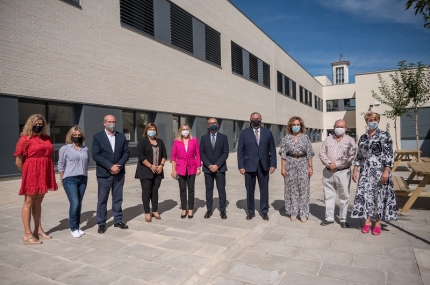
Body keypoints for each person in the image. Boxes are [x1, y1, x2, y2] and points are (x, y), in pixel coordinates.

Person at [14, 114, 58, 245]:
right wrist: (28, 174)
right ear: (30, 124)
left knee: (38, 201)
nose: (38, 126)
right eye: (36, 124)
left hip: (44, 172)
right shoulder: (24, 139)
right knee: (29, 201)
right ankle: (27, 234)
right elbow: (18, 161)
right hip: (32, 173)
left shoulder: (47, 138)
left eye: (41, 124)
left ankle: (38, 229)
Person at [352, 112, 397, 235]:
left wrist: (387, 170)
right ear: (366, 121)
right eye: (370, 119)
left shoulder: (384, 135)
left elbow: (389, 154)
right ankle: (367, 221)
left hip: (380, 172)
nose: (373, 121)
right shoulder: (363, 137)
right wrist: (355, 169)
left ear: (378, 121)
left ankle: (377, 222)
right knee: (366, 195)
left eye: (375, 119)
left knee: (379, 196)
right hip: (365, 172)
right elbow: (359, 155)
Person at [92, 115, 130, 233]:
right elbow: (96, 155)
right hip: (104, 173)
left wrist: (118, 165)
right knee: (102, 199)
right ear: (104, 123)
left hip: (119, 173)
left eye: (113, 121)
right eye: (109, 122)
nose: (112, 123)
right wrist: (110, 166)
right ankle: (101, 222)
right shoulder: (97, 137)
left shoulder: (121, 136)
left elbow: (126, 153)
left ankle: (118, 220)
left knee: (118, 198)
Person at [237, 112, 276, 221]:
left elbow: (272, 149)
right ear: (250, 120)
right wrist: (241, 166)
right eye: (254, 118)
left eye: (258, 118)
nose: (256, 120)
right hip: (249, 165)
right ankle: (250, 211)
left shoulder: (267, 132)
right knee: (249, 190)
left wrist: (273, 164)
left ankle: (264, 211)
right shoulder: (244, 133)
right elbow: (240, 151)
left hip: (264, 166)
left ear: (261, 119)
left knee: (264, 189)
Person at [318, 119, 356, 228]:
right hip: (328, 172)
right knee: (329, 196)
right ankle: (329, 218)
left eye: (341, 127)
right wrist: (329, 163)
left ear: (346, 128)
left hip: (343, 172)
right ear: (334, 127)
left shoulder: (350, 140)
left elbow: (351, 155)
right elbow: (321, 153)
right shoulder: (328, 139)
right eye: (337, 126)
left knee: (344, 196)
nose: (339, 128)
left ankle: (343, 219)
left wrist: (337, 164)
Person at [279, 116, 314, 223]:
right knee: (291, 189)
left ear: (301, 126)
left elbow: (310, 154)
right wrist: (283, 168)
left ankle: (303, 213)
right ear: (290, 126)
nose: (296, 126)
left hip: (303, 163)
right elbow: (283, 154)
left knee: (304, 190)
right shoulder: (286, 138)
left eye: (298, 124)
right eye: (294, 124)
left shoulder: (305, 138)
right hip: (290, 164)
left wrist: (310, 167)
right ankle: (293, 211)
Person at [58, 126, 89, 238]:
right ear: (70, 136)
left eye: (79, 135)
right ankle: (73, 228)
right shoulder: (65, 149)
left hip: (83, 178)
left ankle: (77, 226)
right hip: (70, 179)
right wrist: (62, 178)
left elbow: (86, 163)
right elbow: (60, 164)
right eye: (75, 135)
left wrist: (85, 175)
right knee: (74, 203)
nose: (77, 137)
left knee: (79, 204)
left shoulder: (85, 149)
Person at [135, 123, 167, 222]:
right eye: (150, 129)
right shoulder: (143, 141)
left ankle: (155, 210)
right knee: (146, 192)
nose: (152, 131)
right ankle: (147, 212)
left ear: (156, 131)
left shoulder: (160, 142)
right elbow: (140, 156)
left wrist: (161, 165)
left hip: (158, 171)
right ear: (146, 131)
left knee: (155, 191)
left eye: (153, 129)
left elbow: (164, 155)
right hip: (145, 171)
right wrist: (150, 166)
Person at [200, 118, 229, 219]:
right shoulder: (203, 138)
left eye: (214, 123)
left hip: (220, 169)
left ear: (218, 125)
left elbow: (225, 153)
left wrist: (217, 165)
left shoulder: (223, 137)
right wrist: (209, 165)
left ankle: (223, 210)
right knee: (209, 190)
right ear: (208, 126)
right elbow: (202, 153)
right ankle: (209, 210)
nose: (213, 125)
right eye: (210, 123)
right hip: (208, 169)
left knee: (221, 190)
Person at [171, 124, 201, 219]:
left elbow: (198, 154)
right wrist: (173, 169)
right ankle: (184, 208)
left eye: (187, 129)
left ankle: (191, 209)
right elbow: (173, 156)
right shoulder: (176, 141)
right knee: (182, 189)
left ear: (189, 130)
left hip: (192, 166)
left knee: (191, 189)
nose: (185, 131)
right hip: (180, 167)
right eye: (183, 129)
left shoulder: (194, 140)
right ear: (180, 131)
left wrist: (198, 167)